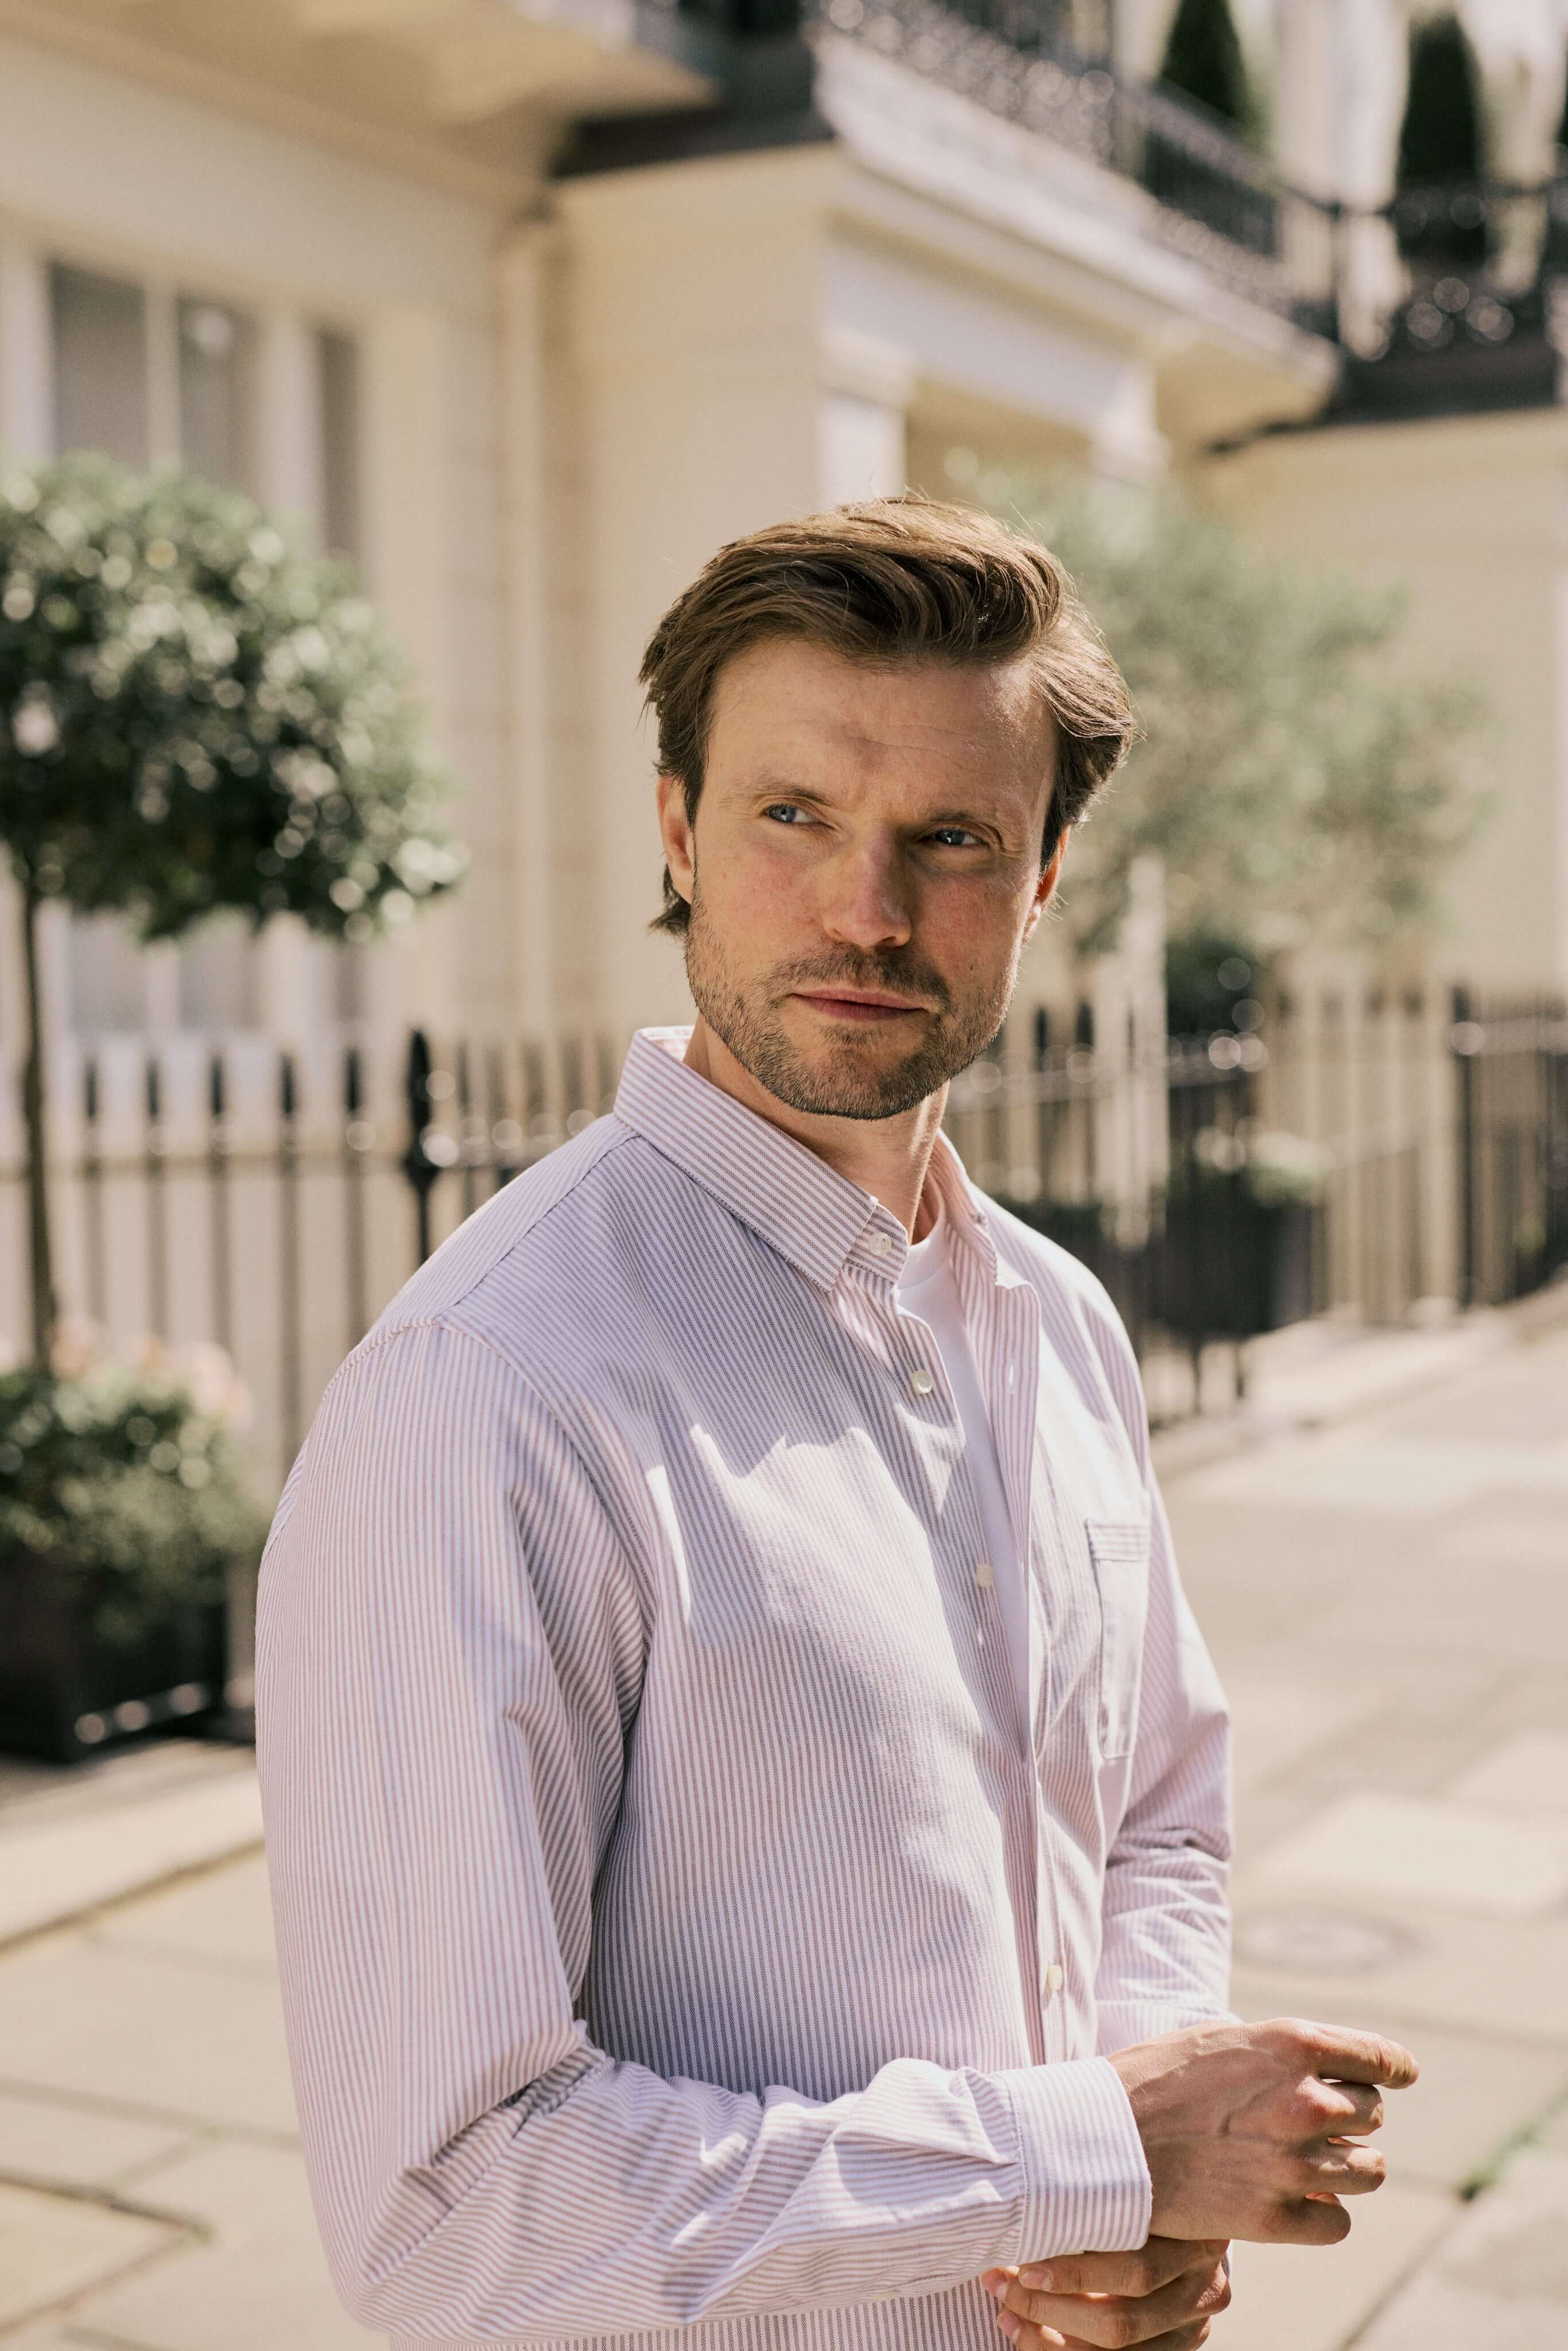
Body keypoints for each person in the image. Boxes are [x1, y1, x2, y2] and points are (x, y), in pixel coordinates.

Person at [257, 497, 1416, 2351]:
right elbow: (450, 2216)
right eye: (792, 815)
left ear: (1041, 879)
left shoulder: (1061, 1318)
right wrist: (1086, 2150)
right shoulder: (483, 1393)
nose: (864, 911)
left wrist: (1123, 2209)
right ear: (676, 832)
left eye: (950, 839)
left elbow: (1156, 1821)